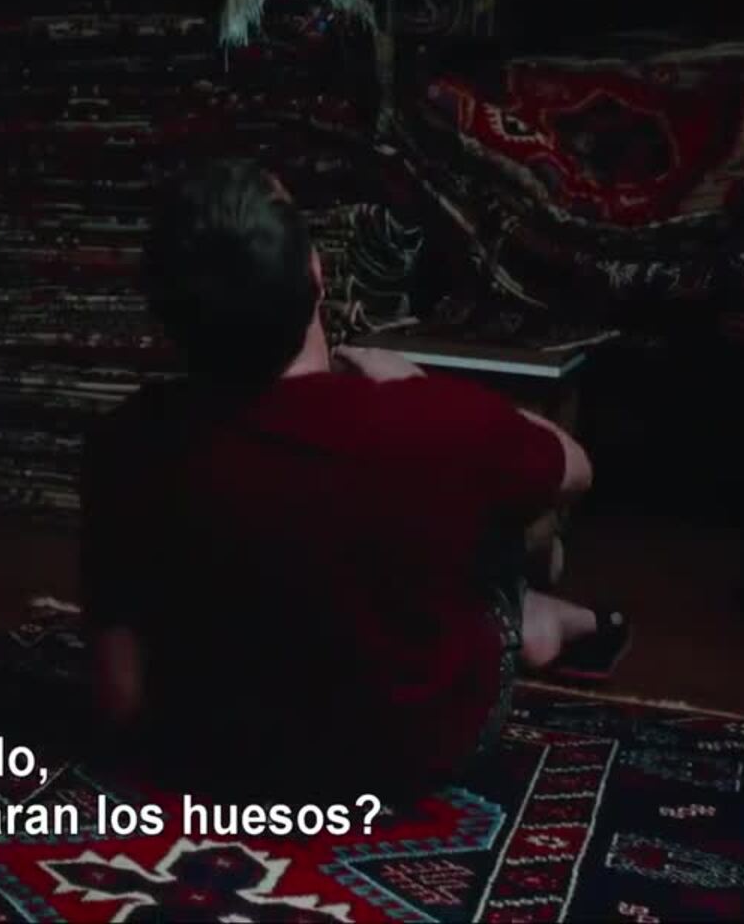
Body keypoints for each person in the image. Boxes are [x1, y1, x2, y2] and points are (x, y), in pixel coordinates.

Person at [81, 158, 630, 799]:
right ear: (317, 275)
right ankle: (527, 620)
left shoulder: (124, 441)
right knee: (493, 519)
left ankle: (532, 615)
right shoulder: (423, 417)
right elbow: (575, 469)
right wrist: (422, 388)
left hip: (213, 757)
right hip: (416, 754)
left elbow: (121, 698)